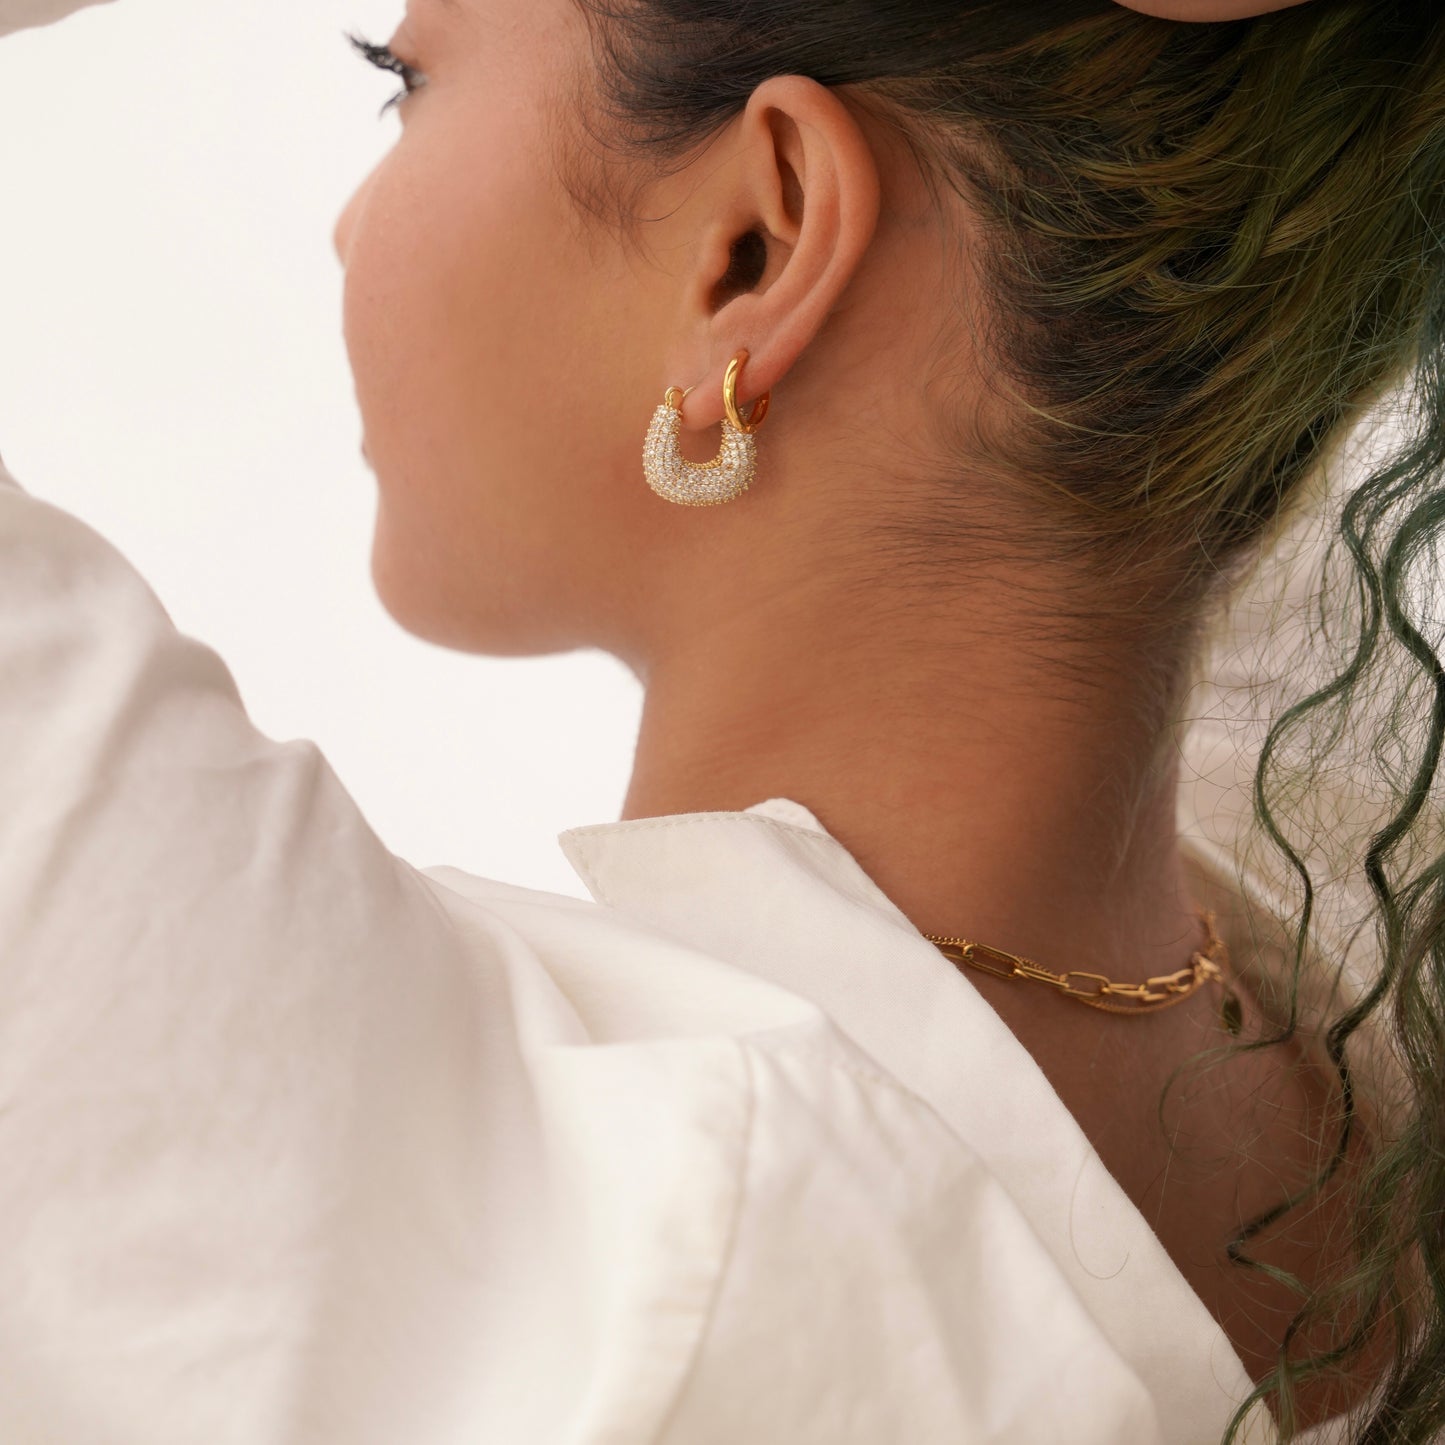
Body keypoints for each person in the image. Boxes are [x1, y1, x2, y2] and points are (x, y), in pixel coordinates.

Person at [0, 0, 1440, 1442]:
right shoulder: (1374, 960)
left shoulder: (573, 1221)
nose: (343, 224)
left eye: (406, 81)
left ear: (758, 241)